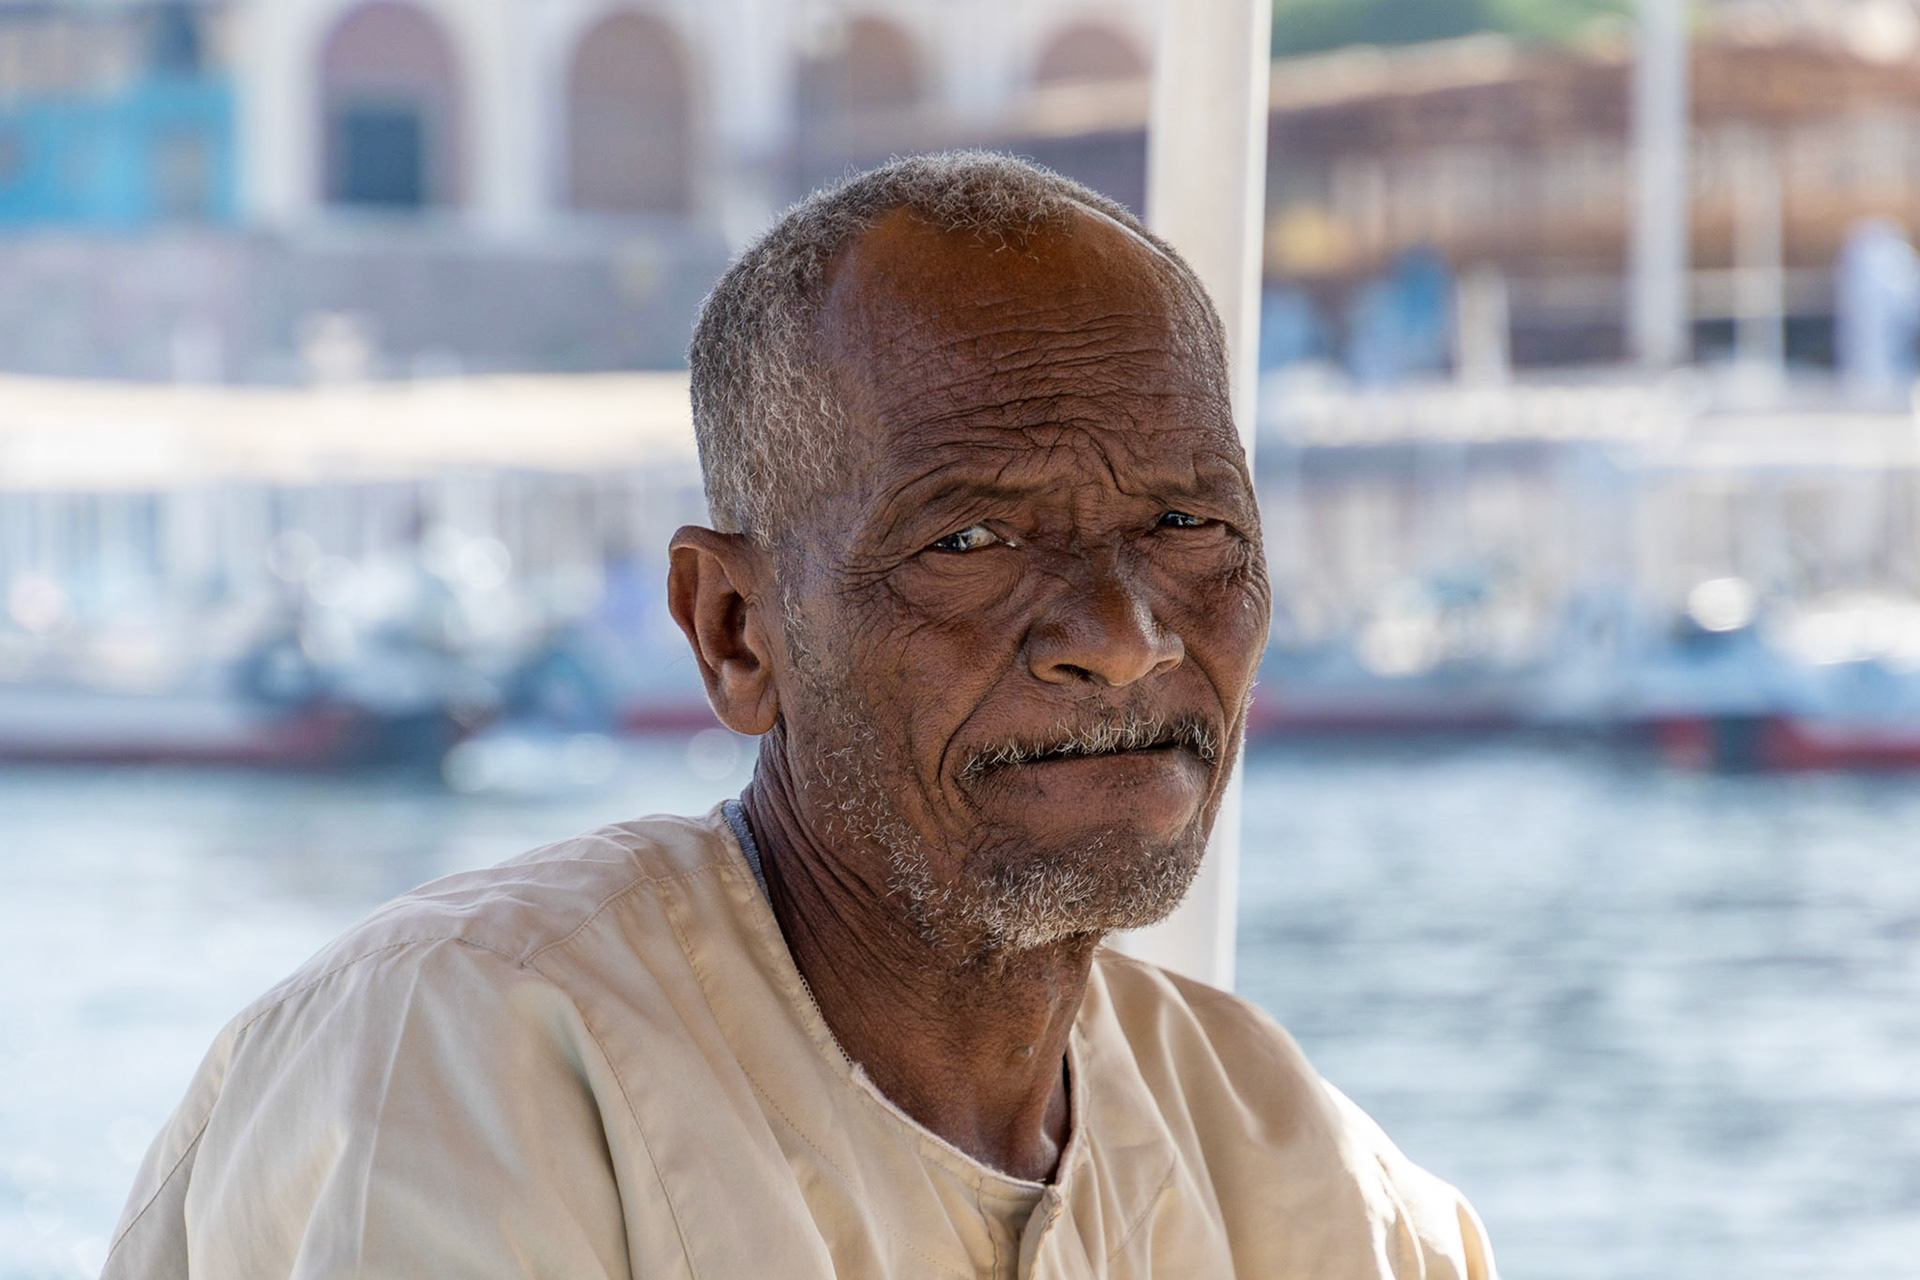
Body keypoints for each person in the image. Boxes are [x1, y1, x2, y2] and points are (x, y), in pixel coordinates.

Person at [105, 153, 1495, 1280]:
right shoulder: (464, 1050)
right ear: (735, 631)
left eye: (1190, 525)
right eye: (970, 545)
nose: (1125, 641)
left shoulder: (1306, 1180)